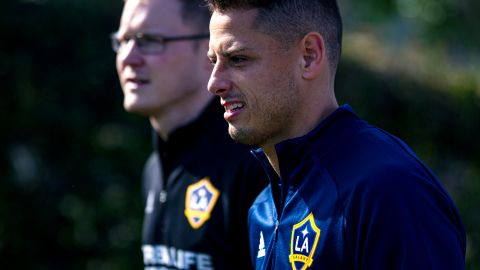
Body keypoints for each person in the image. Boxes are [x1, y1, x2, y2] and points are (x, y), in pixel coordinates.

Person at [205, 0, 467, 269]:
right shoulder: (262, 209)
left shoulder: (390, 190)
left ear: (309, 56)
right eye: (213, 61)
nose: (214, 83)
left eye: (237, 59)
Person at [111, 0, 267, 269]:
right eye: (123, 40)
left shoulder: (253, 163)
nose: (128, 57)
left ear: (210, 50)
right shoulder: (155, 167)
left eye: (149, 40)